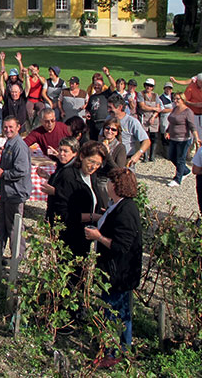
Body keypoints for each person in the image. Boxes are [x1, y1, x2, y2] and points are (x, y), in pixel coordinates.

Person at [84, 168, 143, 366]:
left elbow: (121, 245)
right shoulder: (120, 205)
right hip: (119, 271)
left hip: (118, 272)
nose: (107, 184)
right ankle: (124, 348)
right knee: (122, 312)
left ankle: (111, 353)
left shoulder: (126, 211)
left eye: (110, 181)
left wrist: (98, 236)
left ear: (117, 186)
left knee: (112, 311)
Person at [50, 141, 109, 259]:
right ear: (82, 157)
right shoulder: (68, 176)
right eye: (91, 161)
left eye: (98, 164)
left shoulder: (92, 175)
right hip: (69, 235)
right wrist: (92, 216)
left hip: (85, 234)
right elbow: (62, 212)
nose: (94, 167)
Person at [0, 116, 32, 258]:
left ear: (18, 127)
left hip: (15, 192)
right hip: (6, 192)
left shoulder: (19, 146)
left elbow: (22, 170)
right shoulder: (9, 143)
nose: (7, 130)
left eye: (11, 127)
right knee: (2, 224)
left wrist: (3, 174)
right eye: (5, 127)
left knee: (14, 227)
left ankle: (18, 258)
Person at [38, 136, 80, 224]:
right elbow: (60, 182)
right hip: (53, 209)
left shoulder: (74, 170)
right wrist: (47, 176)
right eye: (60, 150)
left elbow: (74, 194)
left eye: (65, 151)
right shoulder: (62, 165)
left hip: (64, 215)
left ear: (74, 153)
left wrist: (55, 192)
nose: (61, 154)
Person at [165, 92, 201, 187]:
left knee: (180, 159)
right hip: (173, 137)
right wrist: (167, 131)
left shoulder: (188, 112)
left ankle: (178, 179)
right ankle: (185, 171)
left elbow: (192, 126)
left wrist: (196, 138)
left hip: (183, 139)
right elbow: (171, 122)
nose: (175, 100)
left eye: (178, 99)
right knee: (171, 156)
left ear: (183, 100)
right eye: (174, 99)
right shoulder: (175, 109)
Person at [107, 94, 150, 167]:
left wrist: (138, 154)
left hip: (126, 159)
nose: (108, 110)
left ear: (120, 107)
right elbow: (101, 135)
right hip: (110, 159)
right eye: (108, 107)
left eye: (110, 108)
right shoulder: (108, 119)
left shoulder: (132, 122)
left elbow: (146, 141)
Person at [137, 78, 162, 161]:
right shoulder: (141, 94)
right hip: (144, 118)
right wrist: (154, 108)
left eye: (151, 86)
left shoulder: (156, 95)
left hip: (153, 118)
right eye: (147, 85)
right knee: (144, 137)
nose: (149, 87)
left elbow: (158, 108)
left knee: (154, 137)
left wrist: (153, 116)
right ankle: (145, 155)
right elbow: (142, 106)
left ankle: (152, 156)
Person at [85, 72, 114, 140]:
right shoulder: (92, 97)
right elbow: (88, 109)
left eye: (99, 85)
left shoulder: (106, 94)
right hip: (93, 125)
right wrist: (87, 113)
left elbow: (113, 85)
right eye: (95, 85)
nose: (97, 86)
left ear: (103, 85)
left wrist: (108, 74)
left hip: (103, 123)